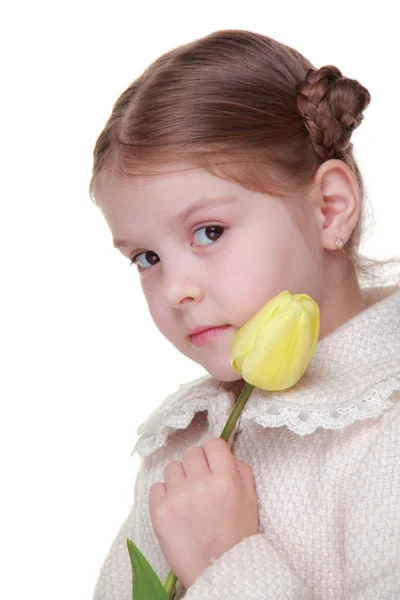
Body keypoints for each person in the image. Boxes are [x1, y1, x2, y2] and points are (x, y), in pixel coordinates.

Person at [89, 29, 400, 600]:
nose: (175, 288)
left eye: (208, 232)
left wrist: (226, 560)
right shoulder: (186, 440)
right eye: (147, 257)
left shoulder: (385, 431)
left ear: (330, 209)